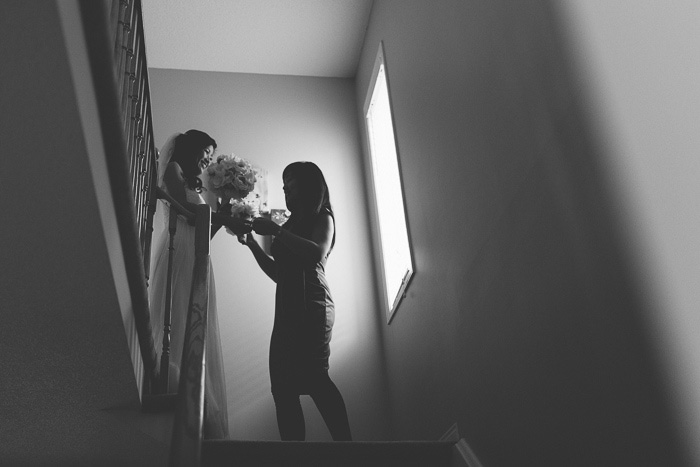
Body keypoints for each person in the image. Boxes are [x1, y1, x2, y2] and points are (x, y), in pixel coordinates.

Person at [149, 129, 251, 439]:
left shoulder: (193, 182)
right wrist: (225, 216)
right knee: (179, 314)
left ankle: (191, 387)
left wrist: (222, 211)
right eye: (205, 152)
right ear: (190, 148)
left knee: (196, 321)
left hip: (196, 254)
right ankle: (175, 381)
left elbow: (203, 233)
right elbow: (191, 216)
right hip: (179, 253)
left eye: (210, 155)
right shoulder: (173, 169)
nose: (207, 159)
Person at [244, 161, 352, 441]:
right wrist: (253, 243)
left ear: (306, 187)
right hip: (287, 307)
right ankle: (295, 455)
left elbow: (317, 253)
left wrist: (277, 231)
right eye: (284, 187)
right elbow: (279, 274)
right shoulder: (291, 223)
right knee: (282, 387)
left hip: (312, 303)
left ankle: (348, 447)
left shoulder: (322, 217)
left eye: (290, 187)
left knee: (315, 376)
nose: (286, 192)